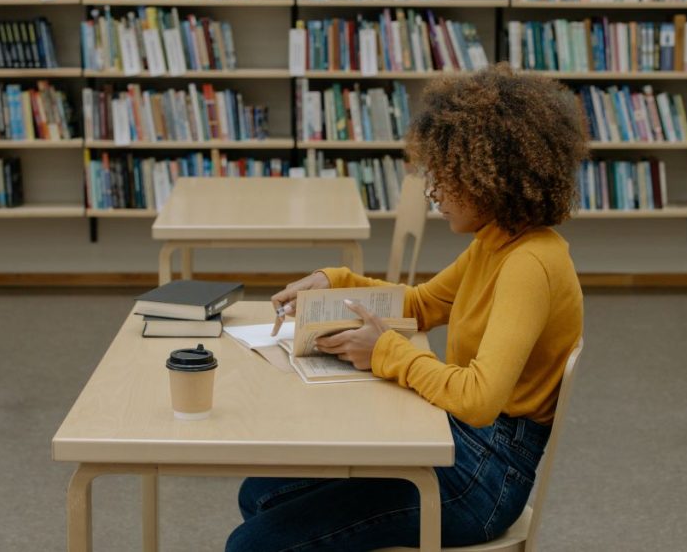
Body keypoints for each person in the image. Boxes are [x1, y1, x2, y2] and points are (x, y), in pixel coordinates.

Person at [225, 65, 590, 552]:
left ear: (493, 178)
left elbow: (480, 398)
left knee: (252, 544)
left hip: (484, 476)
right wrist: (333, 281)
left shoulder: (531, 263)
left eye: (449, 176)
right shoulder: (496, 242)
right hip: (462, 441)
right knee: (261, 493)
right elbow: (421, 305)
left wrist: (386, 351)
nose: (435, 192)